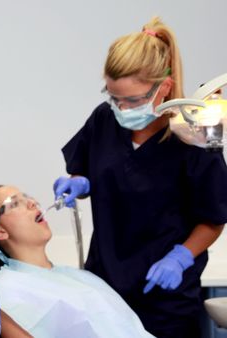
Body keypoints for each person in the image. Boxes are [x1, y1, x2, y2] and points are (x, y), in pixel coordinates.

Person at [53, 17, 227, 337]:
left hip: (164, 300)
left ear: (165, 88)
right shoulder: (104, 119)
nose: (122, 108)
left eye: (133, 100)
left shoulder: (196, 136)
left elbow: (214, 218)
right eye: (113, 96)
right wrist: (80, 182)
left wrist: (180, 257)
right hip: (104, 287)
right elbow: (87, 167)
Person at [0, 184, 155, 338]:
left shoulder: (81, 277)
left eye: (28, 197)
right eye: (15, 204)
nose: (33, 203)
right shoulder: (0, 291)